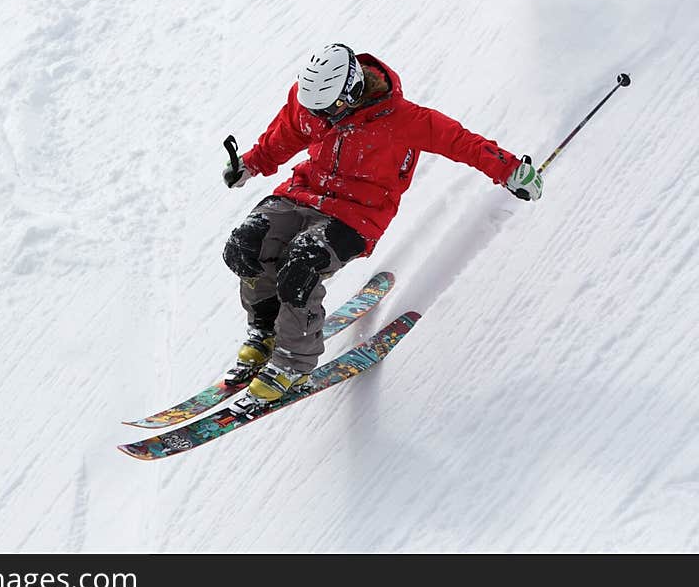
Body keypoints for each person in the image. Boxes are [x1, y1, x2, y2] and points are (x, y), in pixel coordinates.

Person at [221, 43, 543, 407]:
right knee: (245, 245)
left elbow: (461, 142)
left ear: (352, 90)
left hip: (356, 214)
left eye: (329, 110)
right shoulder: (313, 100)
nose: (322, 118)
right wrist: (250, 163)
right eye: (316, 110)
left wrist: (510, 169)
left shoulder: (404, 120)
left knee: (300, 265)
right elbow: (289, 131)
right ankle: (266, 329)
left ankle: (294, 361)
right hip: (304, 193)